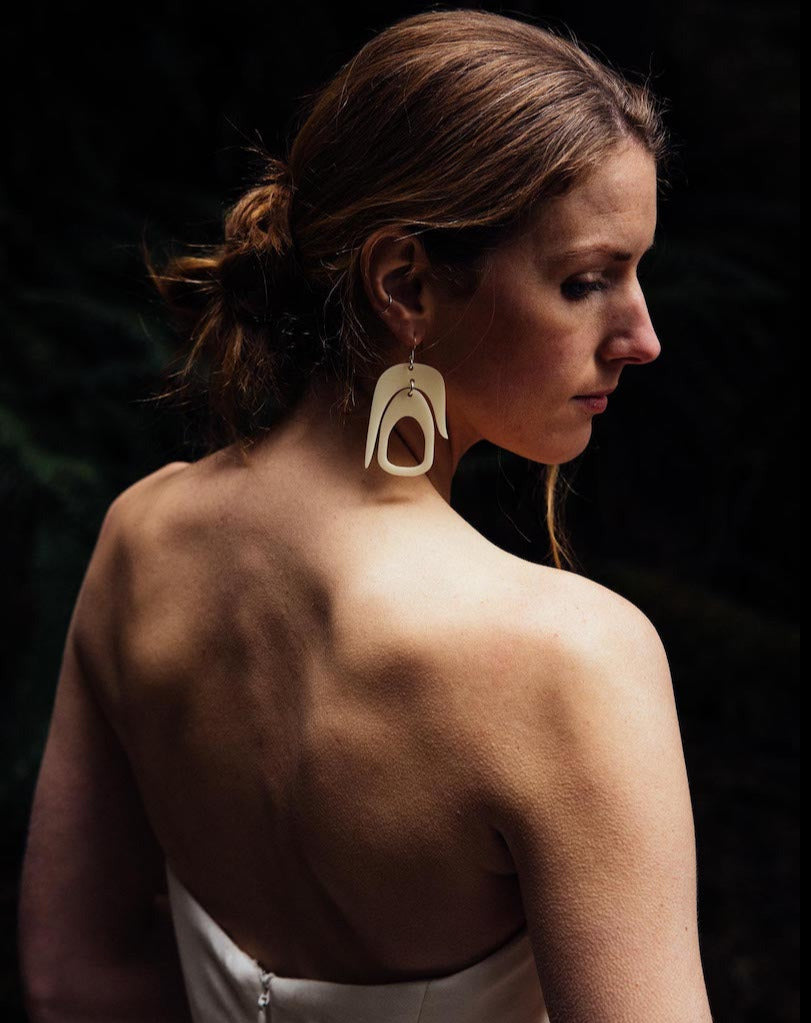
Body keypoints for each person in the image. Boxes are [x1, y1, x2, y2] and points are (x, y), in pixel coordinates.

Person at [18, 9, 715, 1022]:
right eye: (585, 282)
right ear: (405, 283)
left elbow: (76, 980)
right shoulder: (572, 663)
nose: (640, 337)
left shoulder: (142, 535)